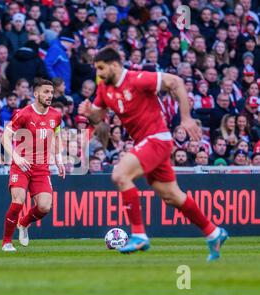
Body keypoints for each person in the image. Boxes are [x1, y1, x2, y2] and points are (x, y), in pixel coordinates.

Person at [79, 47, 228, 261]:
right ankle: (213, 232)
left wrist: (185, 118)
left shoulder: (137, 79)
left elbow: (175, 81)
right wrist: (89, 113)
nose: (99, 74)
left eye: (101, 68)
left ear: (114, 65)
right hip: (145, 143)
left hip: (157, 138)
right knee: (172, 196)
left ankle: (139, 234)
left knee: (120, 175)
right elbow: (98, 118)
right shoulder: (104, 89)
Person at [1, 78, 65, 252]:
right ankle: (7, 242)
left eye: (51, 92)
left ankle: (24, 223)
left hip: (41, 168)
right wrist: (15, 156)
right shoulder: (24, 114)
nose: (49, 95)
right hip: (21, 165)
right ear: (36, 94)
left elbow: (56, 136)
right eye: (46, 92)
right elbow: (5, 136)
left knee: (45, 207)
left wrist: (58, 158)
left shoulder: (56, 116)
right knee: (18, 202)